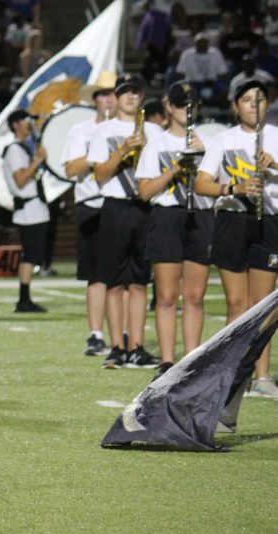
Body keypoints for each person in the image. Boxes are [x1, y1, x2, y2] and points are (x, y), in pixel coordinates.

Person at [194, 79, 278, 397]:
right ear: (234, 106)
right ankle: (234, 376)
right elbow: (202, 184)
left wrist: (274, 168)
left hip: (269, 220)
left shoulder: (276, 136)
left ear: (267, 104)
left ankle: (262, 377)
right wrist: (235, 188)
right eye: (246, 100)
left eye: (259, 99)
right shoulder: (223, 140)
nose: (253, 105)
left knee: (263, 305)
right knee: (237, 304)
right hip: (232, 221)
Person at [136, 82, 213, 379]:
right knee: (167, 296)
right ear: (169, 107)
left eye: (192, 103)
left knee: (194, 296)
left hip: (201, 216)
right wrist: (174, 169)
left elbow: (217, 186)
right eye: (181, 103)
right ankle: (167, 363)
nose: (187, 108)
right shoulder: (157, 145)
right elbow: (144, 192)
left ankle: (191, 361)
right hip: (167, 216)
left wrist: (203, 156)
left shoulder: (209, 143)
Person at [88, 74, 163, 369]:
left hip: (145, 207)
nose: (130, 97)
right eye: (125, 92)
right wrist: (123, 150)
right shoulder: (104, 130)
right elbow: (99, 174)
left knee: (140, 281)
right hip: (115, 207)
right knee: (115, 281)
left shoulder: (155, 131)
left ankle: (137, 346)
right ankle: (117, 345)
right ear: (116, 98)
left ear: (141, 97)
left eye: (135, 92)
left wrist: (144, 149)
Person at [63, 71, 117, 356]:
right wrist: (97, 152)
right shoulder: (80, 131)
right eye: (104, 95)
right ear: (95, 100)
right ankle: (96, 334)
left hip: (121, 205)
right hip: (92, 205)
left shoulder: (129, 131)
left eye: (113, 94)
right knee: (95, 275)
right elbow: (70, 169)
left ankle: (123, 336)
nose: (110, 100)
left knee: (121, 276)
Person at [4, 109, 49, 313]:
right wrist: (38, 161)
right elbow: (20, 180)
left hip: (35, 207)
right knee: (31, 254)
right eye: (25, 120)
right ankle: (24, 299)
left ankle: (25, 297)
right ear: (15, 124)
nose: (28, 124)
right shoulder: (15, 150)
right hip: (29, 210)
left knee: (33, 254)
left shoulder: (24, 148)